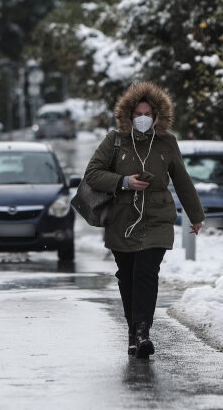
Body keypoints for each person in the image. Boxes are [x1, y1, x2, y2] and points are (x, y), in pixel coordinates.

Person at [84, 81, 205, 359]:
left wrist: (195, 215)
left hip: (157, 218)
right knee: (127, 276)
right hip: (122, 218)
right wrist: (124, 181)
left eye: (147, 113)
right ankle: (133, 332)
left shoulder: (167, 143)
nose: (142, 118)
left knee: (146, 273)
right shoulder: (114, 141)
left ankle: (143, 331)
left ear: (156, 115)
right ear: (128, 115)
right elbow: (92, 174)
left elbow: (182, 180)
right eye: (137, 113)